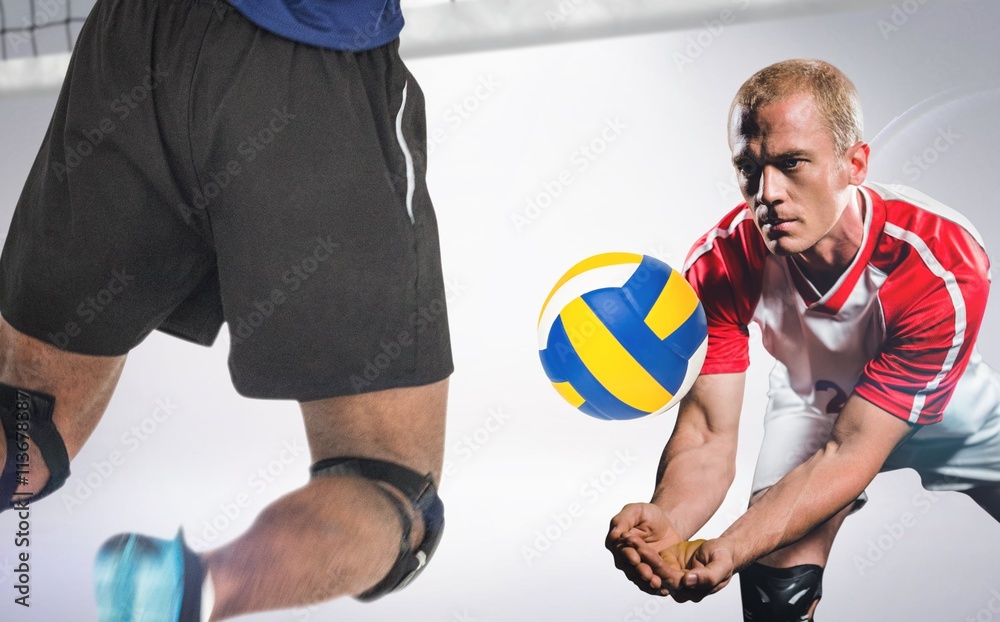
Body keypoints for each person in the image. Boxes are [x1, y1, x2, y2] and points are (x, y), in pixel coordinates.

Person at [0, 0, 453, 620]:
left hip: (135, 35)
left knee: (29, 419)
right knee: (396, 489)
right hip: (304, 60)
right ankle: (189, 592)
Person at [606, 59, 1000, 621]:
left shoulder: (941, 261)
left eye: (792, 163)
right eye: (750, 168)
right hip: (811, 401)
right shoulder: (721, 262)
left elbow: (854, 450)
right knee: (773, 593)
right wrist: (670, 520)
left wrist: (736, 541)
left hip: (943, 405)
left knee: (752, 541)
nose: (767, 193)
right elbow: (707, 434)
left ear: (853, 164)